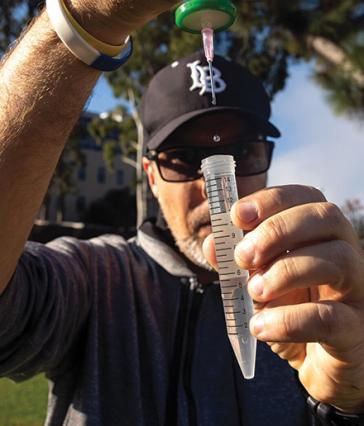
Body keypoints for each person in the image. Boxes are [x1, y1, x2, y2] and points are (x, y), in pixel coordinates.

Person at [0, 1, 364, 425]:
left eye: (242, 151)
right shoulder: (96, 278)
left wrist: (348, 401)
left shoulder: (314, 295)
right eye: (182, 158)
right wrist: (77, 20)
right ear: (151, 176)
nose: (215, 196)